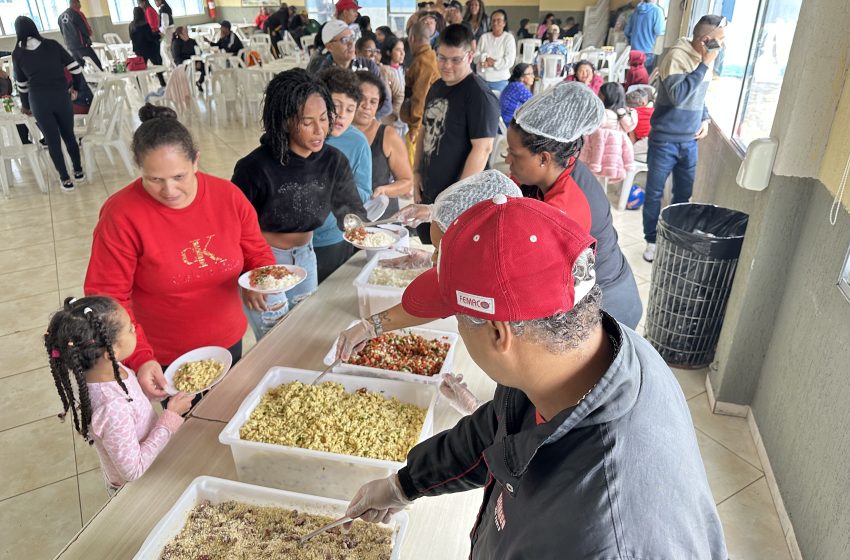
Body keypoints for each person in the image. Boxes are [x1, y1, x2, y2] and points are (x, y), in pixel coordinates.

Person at [342, 196, 728, 559]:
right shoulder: (587, 355)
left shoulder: (597, 538)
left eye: (458, 318)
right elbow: (500, 426)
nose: (459, 330)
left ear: (498, 333)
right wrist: (403, 485)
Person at [84, 104, 274, 401]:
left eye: (179, 177)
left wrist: (256, 278)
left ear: (196, 161)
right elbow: (107, 298)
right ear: (140, 169)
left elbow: (256, 250)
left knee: (229, 410)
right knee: (184, 432)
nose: (169, 190)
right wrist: (141, 357)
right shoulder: (121, 215)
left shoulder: (228, 197)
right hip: (162, 354)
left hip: (227, 340)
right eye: (154, 179)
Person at [231, 69, 367, 336]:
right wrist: (248, 275)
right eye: (307, 122)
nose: (320, 130)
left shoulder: (333, 161)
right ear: (285, 121)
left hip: (306, 257)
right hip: (265, 260)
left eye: (324, 119)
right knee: (275, 337)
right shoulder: (254, 168)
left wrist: (372, 233)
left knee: (306, 329)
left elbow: (351, 212)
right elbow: (233, 229)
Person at [335, 170, 523, 362]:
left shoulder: (512, 301)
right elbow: (434, 297)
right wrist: (370, 326)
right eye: (435, 250)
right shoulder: (482, 267)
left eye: (440, 252)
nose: (433, 260)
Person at [508, 81, 642, 328]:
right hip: (584, 291)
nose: (507, 160)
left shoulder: (566, 208)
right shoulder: (553, 169)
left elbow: (534, 280)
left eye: (514, 155)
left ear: (544, 158)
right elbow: (500, 198)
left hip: (606, 307)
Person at [44, 296, 193, 493]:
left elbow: (131, 404)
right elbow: (133, 471)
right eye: (131, 328)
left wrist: (153, 394)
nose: (135, 330)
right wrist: (170, 419)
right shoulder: (112, 407)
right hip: (137, 490)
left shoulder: (107, 369)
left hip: (154, 464)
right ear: (112, 349)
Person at [642, 14, 724, 262]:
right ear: (706, 40)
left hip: (690, 140)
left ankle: (678, 238)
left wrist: (706, 118)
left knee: (683, 194)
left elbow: (700, 94)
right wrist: (703, 65)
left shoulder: (704, 60)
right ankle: (652, 240)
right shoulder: (676, 56)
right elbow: (679, 95)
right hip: (665, 140)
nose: (722, 47)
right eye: (719, 41)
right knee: (655, 192)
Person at [415, 23, 499, 243]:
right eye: (441, 58)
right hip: (432, 189)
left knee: (450, 257)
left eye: (455, 59)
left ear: (470, 55)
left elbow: (483, 149)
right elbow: (424, 131)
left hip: (458, 197)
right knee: (429, 251)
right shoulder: (437, 86)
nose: (447, 66)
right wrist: (416, 173)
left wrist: (456, 201)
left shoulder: (479, 95)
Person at [12, 16, 85, 193]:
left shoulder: (18, 54)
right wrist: (76, 87)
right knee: (69, 135)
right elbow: (76, 68)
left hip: (39, 101)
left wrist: (26, 106)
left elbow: (22, 85)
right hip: (61, 97)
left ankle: (65, 180)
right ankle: (78, 171)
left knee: (52, 141)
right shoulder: (52, 45)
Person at [313, 67, 373, 282]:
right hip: (297, 240)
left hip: (333, 238)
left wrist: (334, 193)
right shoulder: (305, 134)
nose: (342, 115)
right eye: (336, 106)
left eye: (350, 109)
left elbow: (364, 191)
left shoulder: (357, 142)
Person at [355, 71, 414, 219]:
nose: (367, 106)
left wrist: (384, 190)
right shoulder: (335, 134)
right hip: (345, 219)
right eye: (361, 98)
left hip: (380, 220)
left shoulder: (388, 135)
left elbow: (407, 182)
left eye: (373, 101)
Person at [306, 19, 393, 120]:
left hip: (369, 125)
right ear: (329, 46)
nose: (351, 44)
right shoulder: (323, 75)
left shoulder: (368, 65)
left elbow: (386, 105)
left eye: (352, 38)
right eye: (345, 40)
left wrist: (364, 120)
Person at [401, 20, 440, 164]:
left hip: (422, 125)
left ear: (412, 39)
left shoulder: (423, 62)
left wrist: (414, 128)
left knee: (413, 168)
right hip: (431, 121)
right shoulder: (431, 57)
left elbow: (420, 97)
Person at [580, 82, 636, 182]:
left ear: (608, 97)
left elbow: (589, 127)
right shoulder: (624, 115)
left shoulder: (604, 115)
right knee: (602, 184)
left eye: (600, 95)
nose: (598, 97)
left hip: (598, 158)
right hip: (613, 160)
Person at [473, 9, 514, 93]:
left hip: (500, 82)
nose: (495, 23)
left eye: (499, 20)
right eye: (493, 21)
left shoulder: (508, 38)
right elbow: (475, 58)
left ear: (504, 23)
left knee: (497, 105)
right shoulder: (484, 37)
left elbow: (509, 61)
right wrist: (483, 58)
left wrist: (493, 63)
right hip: (482, 80)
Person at [58, 0, 102, 70]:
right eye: (79, 3)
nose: (80, 6)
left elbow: (62, 32)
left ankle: (84, 80)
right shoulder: (77, 14)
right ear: (75, 3)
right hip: (82, 45)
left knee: (80, 67)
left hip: (71, 47)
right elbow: (87, 30)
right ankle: (100, 80)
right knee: (96, 65)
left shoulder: (60, 16)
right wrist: (89, 33)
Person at [624, 0, 665, 73]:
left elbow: (627, 31)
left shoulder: (636, 10)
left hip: (634, 51)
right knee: (644, 80)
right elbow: (659, 31)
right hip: (648, 52)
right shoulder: (657, 11)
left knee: (633, 77)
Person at [129, 7, 166, 87]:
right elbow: (150, 37)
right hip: (149, 49)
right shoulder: (145, 24)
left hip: (138, 51)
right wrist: (159, 36)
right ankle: (163, 83)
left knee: (140, 68)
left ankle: (138, 85)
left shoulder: (131, 25)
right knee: (157, 66)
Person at [376, 36, 405, 128]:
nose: (402, 53)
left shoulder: (404, 71)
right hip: (389, 120)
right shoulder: (383, 71)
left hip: (403, 119)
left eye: (403, 50)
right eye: (398, 50)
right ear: (389, 52)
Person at [171, 26, 204, 92]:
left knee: (207, 67)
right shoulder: (176, 43)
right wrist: (183, 65)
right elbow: (177, 58)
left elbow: (199, 52)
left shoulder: (192, 41)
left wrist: (198, 61)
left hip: (194, 61)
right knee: (189, 70)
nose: (187, 33)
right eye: (185, 32)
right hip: (183, 64)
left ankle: (199, 82)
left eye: (187, 31)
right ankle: (187, 90)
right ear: (181, 35)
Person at [626, 86, 654, 161]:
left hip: (645, 141)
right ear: (643, 103)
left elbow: (633, 139)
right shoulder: (653, 110)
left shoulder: (632, 115)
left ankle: (651, 159)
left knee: (631, 153)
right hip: (661, 139)